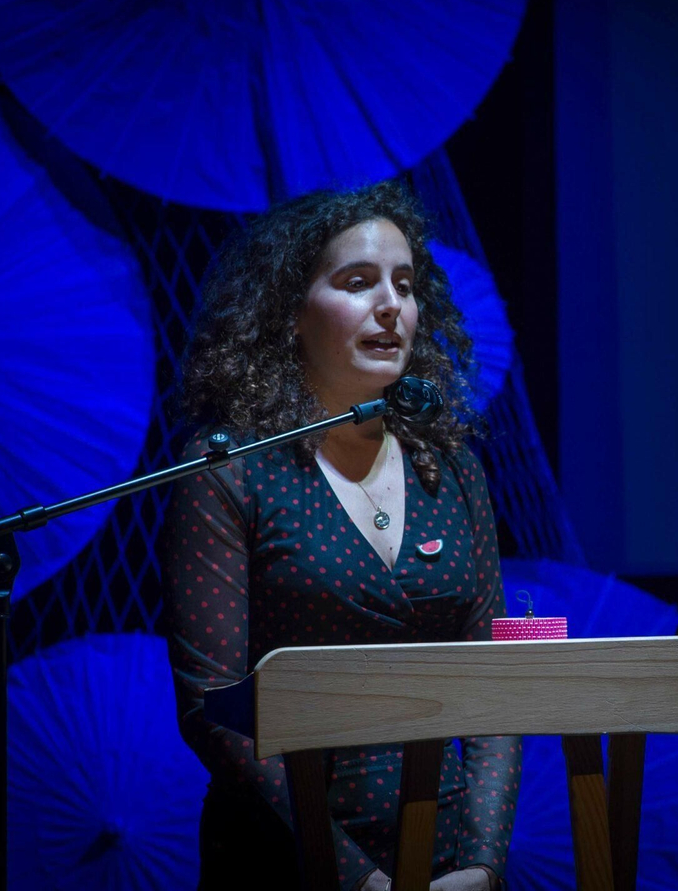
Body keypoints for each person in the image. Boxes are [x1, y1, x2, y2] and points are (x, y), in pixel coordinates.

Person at [161, 180, 519, 891]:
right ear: (289, 313)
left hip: (445, 859)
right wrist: (355, 877)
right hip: (285, 859)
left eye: (405, 285)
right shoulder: (230, 471)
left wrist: (481, 863)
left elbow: (496, 686)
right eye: (358, 283)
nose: (391, 305)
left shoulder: (451, 470)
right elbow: (213, 707)